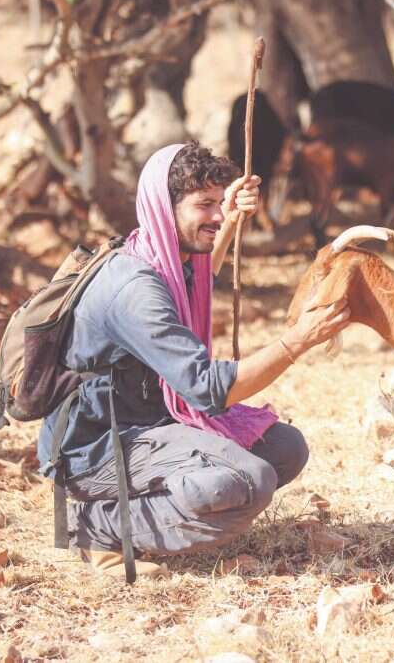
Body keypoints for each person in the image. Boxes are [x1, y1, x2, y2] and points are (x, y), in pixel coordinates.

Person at [37, 141, 350, 576]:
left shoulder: (166, 258)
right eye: (205, 204)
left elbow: (201, 279)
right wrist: (297, 341)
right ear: (165, 209)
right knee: (248, 482)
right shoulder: (136, 288)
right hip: (95, 447)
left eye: (220, 202)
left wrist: (233, 216)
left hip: (150, 421)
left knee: (285, 449)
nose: (218, 216)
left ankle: (164, 507)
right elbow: (207, 389)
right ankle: (91, 527)